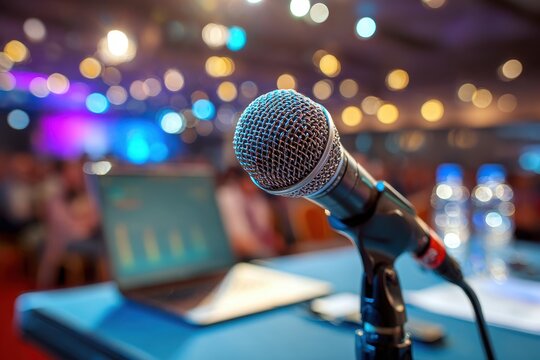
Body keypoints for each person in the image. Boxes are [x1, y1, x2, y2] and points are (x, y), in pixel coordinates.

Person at [36, 160, 100, 288]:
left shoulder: (86, 195)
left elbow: (96, 218)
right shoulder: (55, 199)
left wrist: (88, 221)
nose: (75, 176)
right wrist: (86, 223)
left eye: (77, 173)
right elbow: (71, 230)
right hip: (61, 243)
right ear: (64, 175)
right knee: (103, 250)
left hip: (82, 238)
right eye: (71, 172)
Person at [217, 167, 285, 260]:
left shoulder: (257, 197)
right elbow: (240, 238)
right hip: (237, 255)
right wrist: (263, 252)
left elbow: (266, 228)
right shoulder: (227, 197)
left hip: (260, 251)